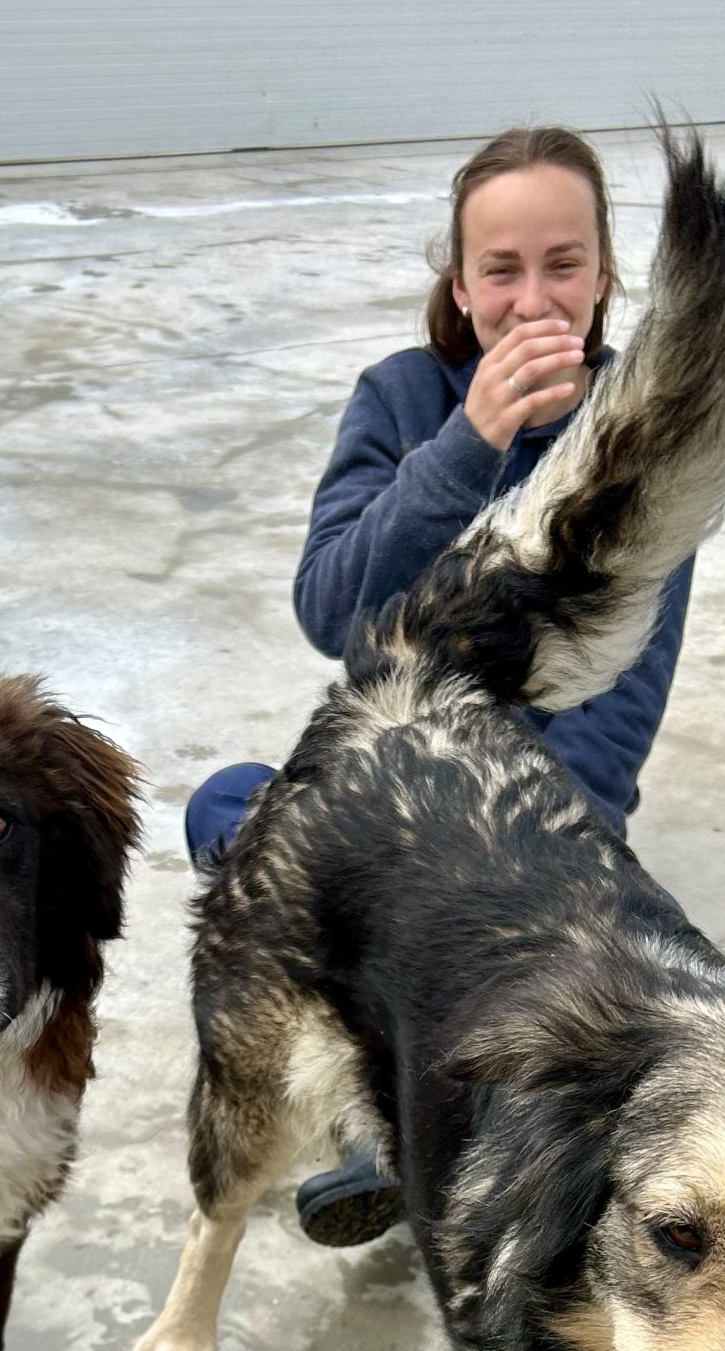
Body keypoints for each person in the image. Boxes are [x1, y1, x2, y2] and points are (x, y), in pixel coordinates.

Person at [185, 125, 695, 1245]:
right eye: (500, 271)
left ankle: (391, 1140)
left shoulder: (637, 430)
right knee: (226, 806)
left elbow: (625, 691)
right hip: (397, 768)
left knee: (529, 971)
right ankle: (375, 1112)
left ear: (604, 276)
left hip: (540, 816)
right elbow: (332, 612)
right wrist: (469, 443)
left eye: (563, 265)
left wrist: (532, 846)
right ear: (460, 287)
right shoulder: (403, 399)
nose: (533, 300)